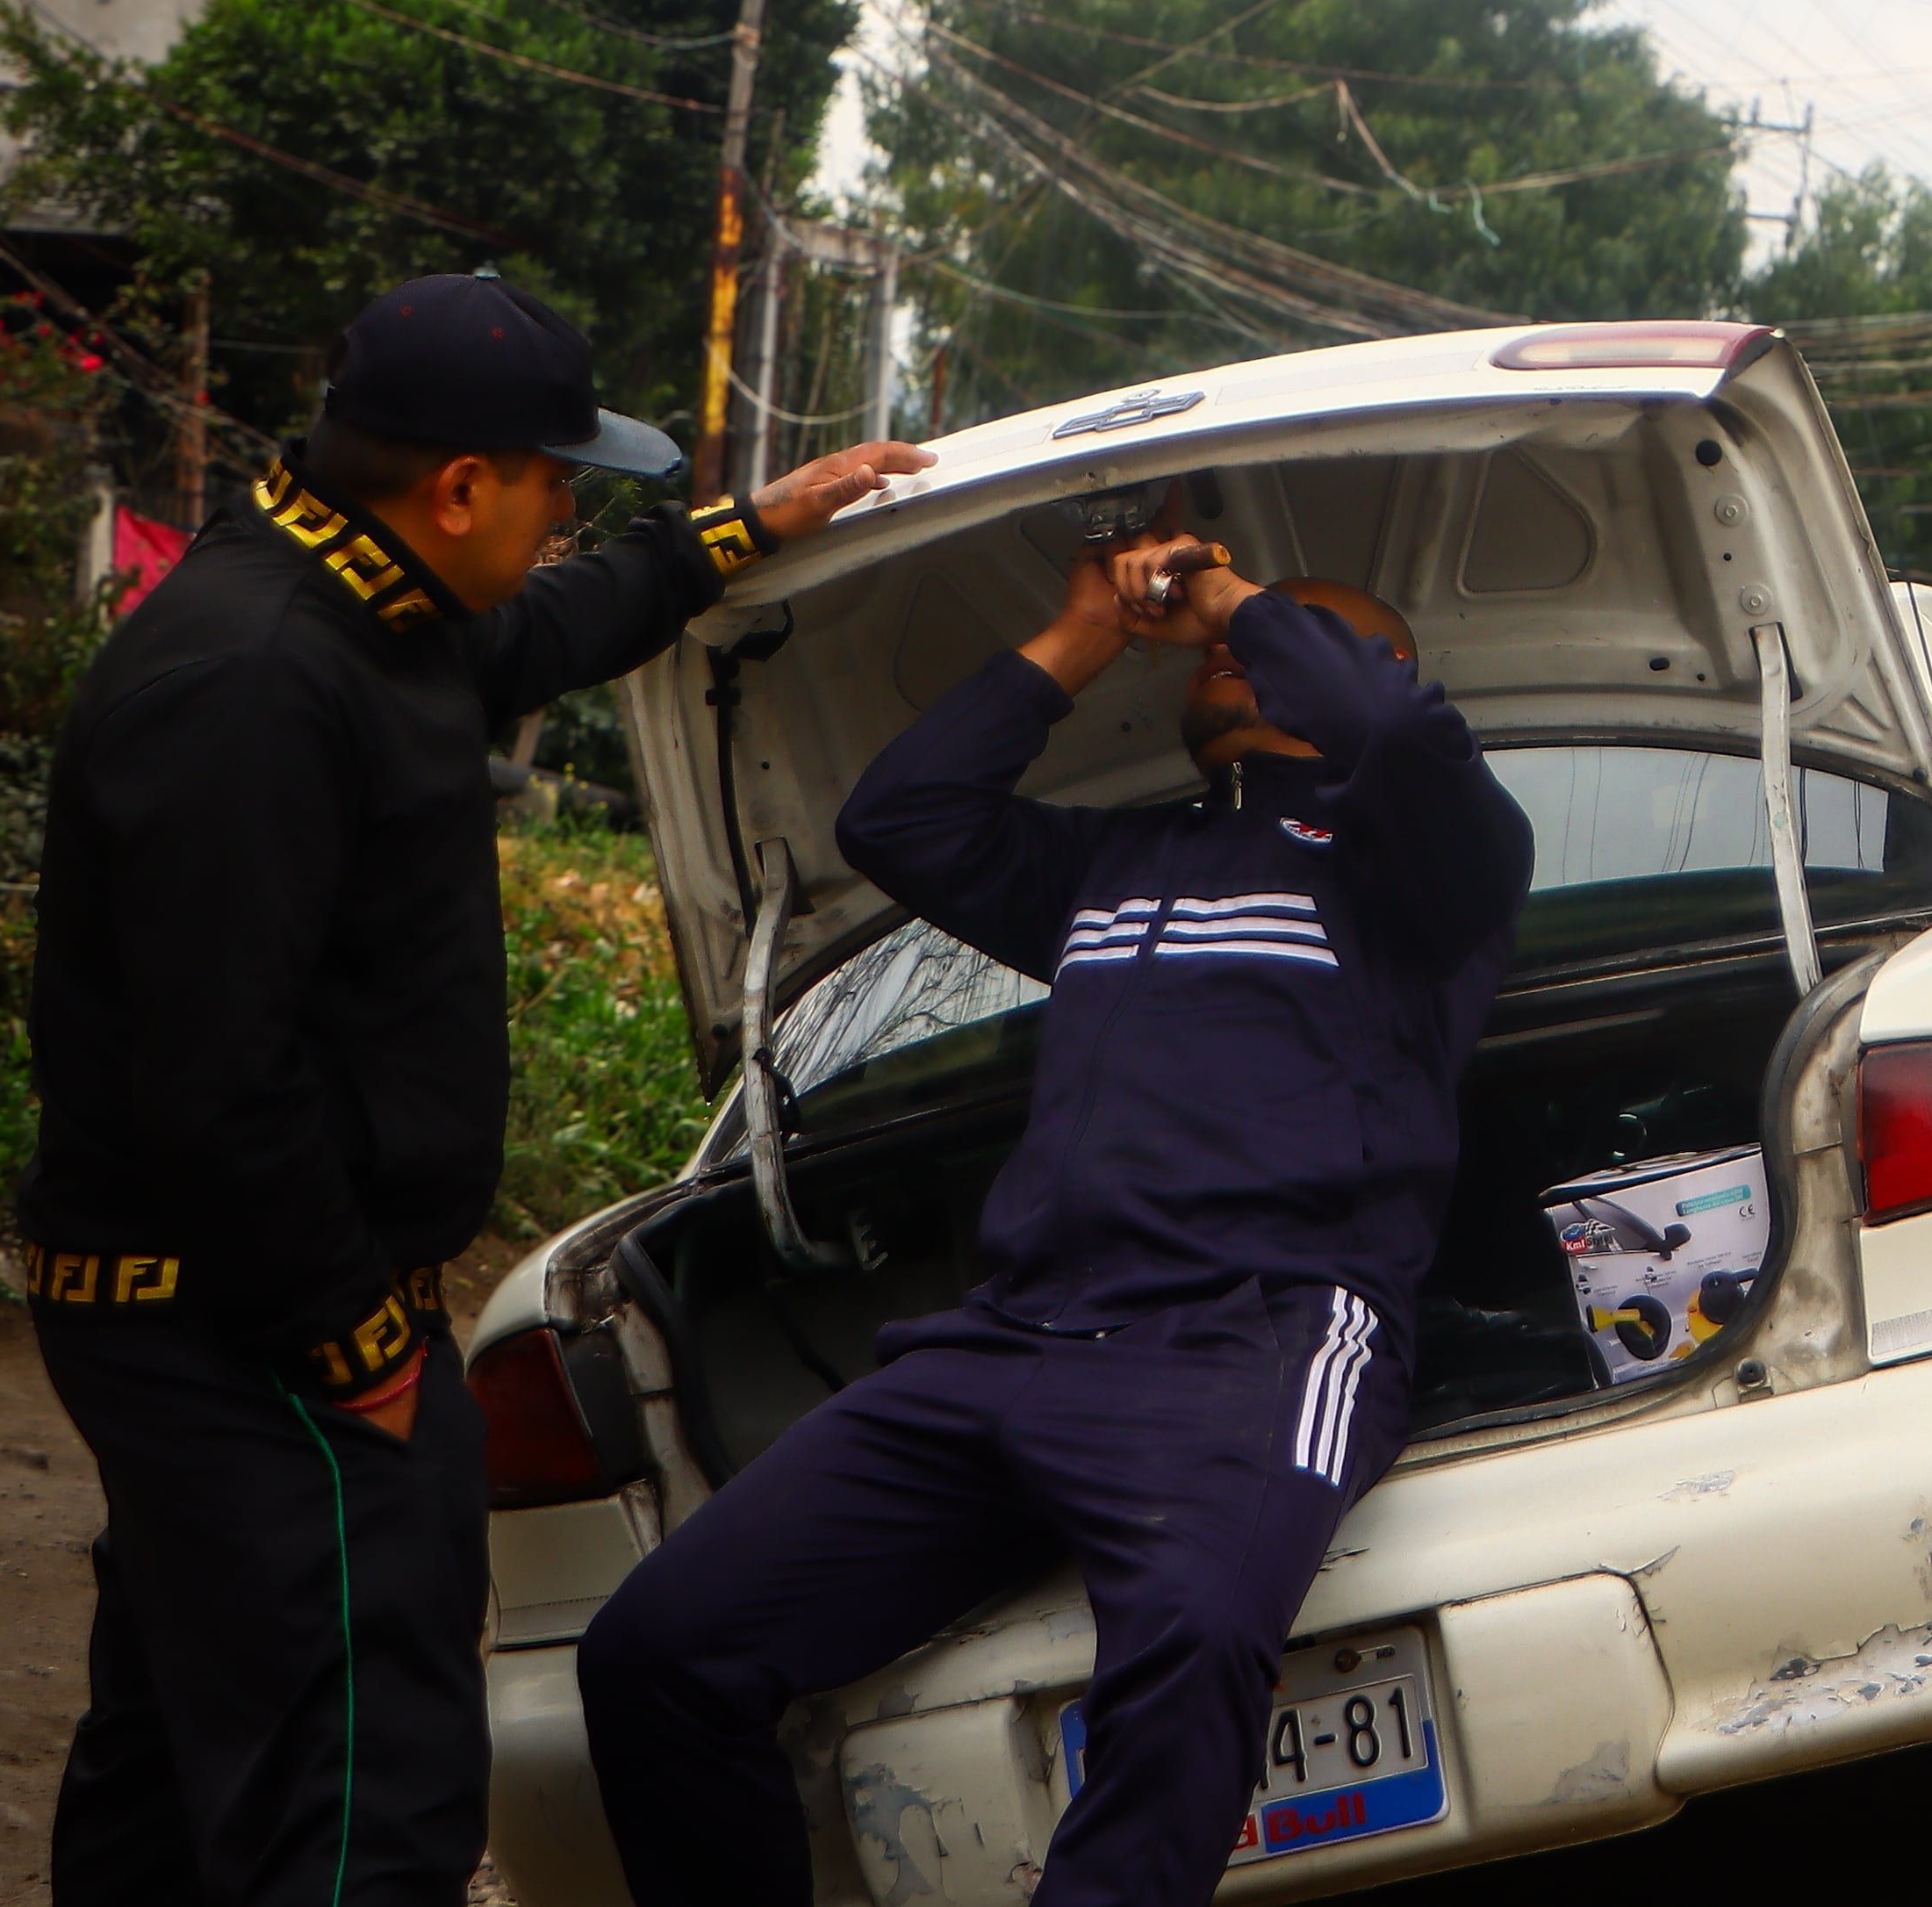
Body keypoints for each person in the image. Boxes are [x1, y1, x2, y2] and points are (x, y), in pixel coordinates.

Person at [18, 270, 929, 1907]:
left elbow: (537, 625)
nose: (565, 512)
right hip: (252, 1331)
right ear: (458, 486)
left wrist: (743, 530)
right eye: (554, 482)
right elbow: (214, 1078)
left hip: (217, 1321)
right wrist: (354, 1342)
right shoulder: (253, 684)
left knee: (181, 1745)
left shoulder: (361, 600)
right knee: (362, 1783)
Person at [578, 525, 1533, 1907]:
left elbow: (1391, 725)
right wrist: (1083, 633)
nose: (1222, 643)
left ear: (1364, 665)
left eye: (1273, 630)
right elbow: (897, 821)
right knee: (658, 1650)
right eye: (1217, 635)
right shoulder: (1114, 863)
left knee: (1197, 1640)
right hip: (1011, 1337)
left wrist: (1232, 595)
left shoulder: (1430, 867)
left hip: (1256, 1335)